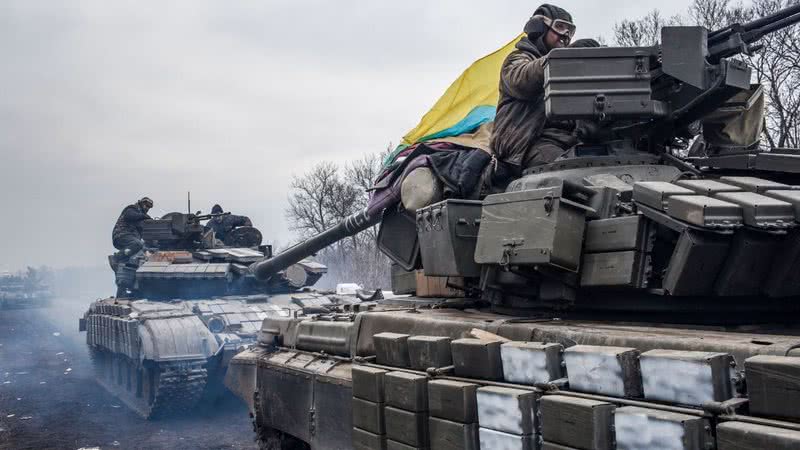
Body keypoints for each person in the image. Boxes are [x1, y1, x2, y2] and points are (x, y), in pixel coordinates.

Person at [490, 4, 598, 185]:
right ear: (539, 28)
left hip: (569, 142)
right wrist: (562, 58)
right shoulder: (517, 59)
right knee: (573, 176)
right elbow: (522, 79)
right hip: (529, 144)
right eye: (560, 27)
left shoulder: (568, 68)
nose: (566, 35)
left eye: (570, 31)